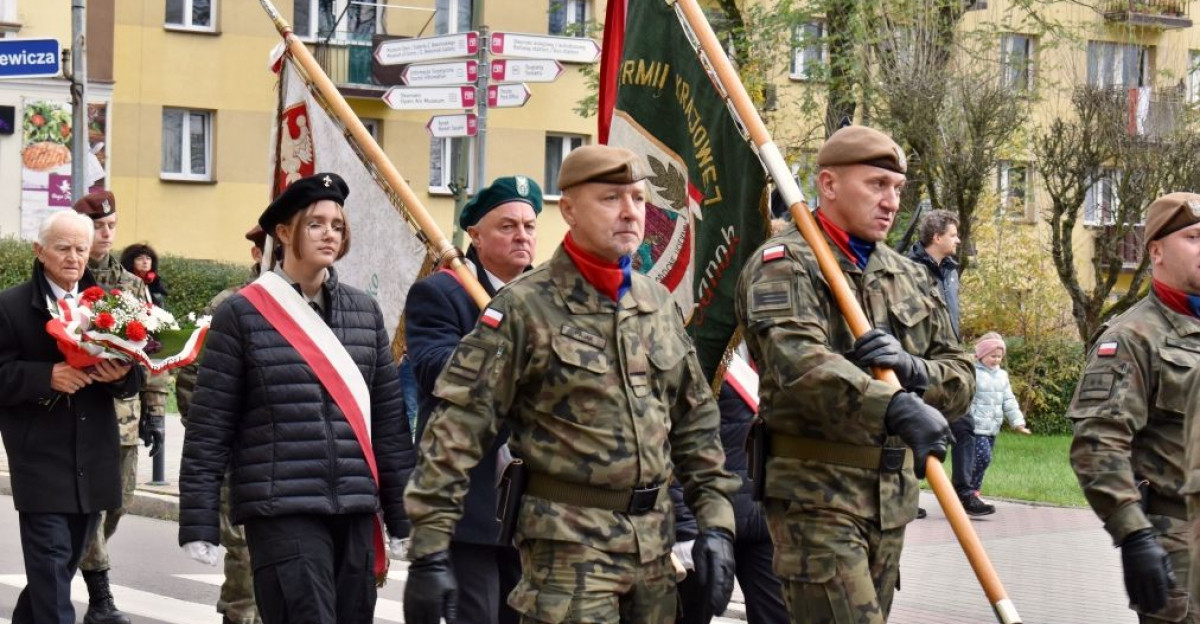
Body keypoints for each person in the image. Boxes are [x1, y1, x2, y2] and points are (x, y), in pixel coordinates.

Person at [403, 145, 739, 624]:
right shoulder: (523, 308)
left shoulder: (657, 304)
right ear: (569, 210)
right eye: (610, 198)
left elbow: (695, 426)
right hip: (568, 552)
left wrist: (716, 525)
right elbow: (455, 432)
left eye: (638, 199)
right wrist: (430, 551)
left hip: (653, 550)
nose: (630, 212)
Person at [735, 125, 974, 624]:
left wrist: (913, 371)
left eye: (898, 188)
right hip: (815, 497)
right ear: (828, 184)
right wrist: (896, 406)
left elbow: (961, 374)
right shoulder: (785, 264)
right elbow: (800, 365)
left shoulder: (908, 274)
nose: (891, 202)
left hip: (889, 501)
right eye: (876, 185)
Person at [178, 173, 416, 624]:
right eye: (316, 224)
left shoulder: (364, 312)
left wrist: (402, 515)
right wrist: (198, 520)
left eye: (337, 225)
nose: (330, 234)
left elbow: (388, 424)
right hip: (280, 506)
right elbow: (210, 426)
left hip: (354, 505)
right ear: (284, 233)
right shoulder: (242, 313)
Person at [404, 175, 542, 624]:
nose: (522, 235)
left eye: (529, 226)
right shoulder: (441, 293)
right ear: (476, 236)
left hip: (535, 506)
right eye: (508, 226)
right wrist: (503, 347)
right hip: (472, 499)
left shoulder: (549, 298)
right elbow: (435, 370)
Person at [0, 209, 142, 624]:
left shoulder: (112, 306)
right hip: (40, 457)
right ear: (39, 250)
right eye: (63, 248)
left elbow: (134, 377)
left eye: (81, 248)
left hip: (94, 455)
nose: (73, 257)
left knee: (58, 569)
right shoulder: (10, 306)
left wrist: (121, 376)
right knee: (51, 563)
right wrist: (46, 376)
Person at [1074, 192, 1200, 623]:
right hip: (1182, 548)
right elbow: (1098, 445)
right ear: (1156, 251)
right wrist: (1133, 535)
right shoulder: (1132, 338)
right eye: (1194, 237)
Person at [72, 191, 168, 624]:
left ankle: (69, 562)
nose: (106, 233)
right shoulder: (68, 280)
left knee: (119, 503)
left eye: (111, 225)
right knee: (89, 506)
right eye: (97, 226)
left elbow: (154, 351)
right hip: (77, 410)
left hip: (125, 415)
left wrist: (156, 412)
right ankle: (101, 597)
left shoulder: (132, 285)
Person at [174, 225, 267, 624]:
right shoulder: (231, 304)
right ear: (257, 254)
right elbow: (192, 377)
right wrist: (215, 440)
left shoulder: (312, 304)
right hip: (240, 457)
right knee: (245, 557)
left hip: (293, 459)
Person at [671, 353, 788, 624]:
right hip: (703, 521)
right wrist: (685, 525)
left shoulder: (772, 348)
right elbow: (676, 439)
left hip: (764, 520)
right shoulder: (703, 345)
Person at [906, 209, 972, 518]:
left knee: (965, 424)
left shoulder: (951, 270)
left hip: (949, 359)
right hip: (920, 361)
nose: (958, 240)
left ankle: (965, 492)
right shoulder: (908, 270)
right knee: (912, 427)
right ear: (936, 237)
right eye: (953, 235)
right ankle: (909, 495)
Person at [967, 333, 1030, 507]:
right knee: (982, 458)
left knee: (983, 461)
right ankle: (965, 490)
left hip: (992, 427)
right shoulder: (972, 372)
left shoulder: (1002, 375)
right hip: (975, 425)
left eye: (999, 357)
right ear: (981, 355)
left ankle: (973, 493)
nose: (996, 360)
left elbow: (1008, 400)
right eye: (992, 356)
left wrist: (1018, 422)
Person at [119, 242, 168, 308]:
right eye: (139, 259)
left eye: (148, 258)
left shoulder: (155, 283)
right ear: (130, 262)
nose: (145, 262)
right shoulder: (124, 282)